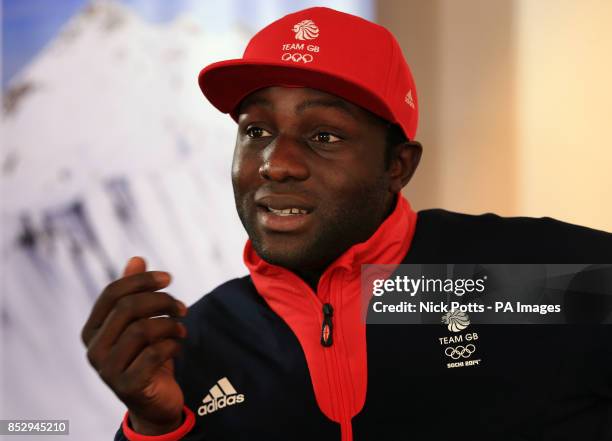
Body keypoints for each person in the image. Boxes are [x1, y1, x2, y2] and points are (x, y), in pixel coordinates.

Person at [81, 7, 612, 441]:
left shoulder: (530, 274)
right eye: (257, 129)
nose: (275, 163)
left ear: (397, 166)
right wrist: (155, 427)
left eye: (324, 136)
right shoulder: (193, 344)